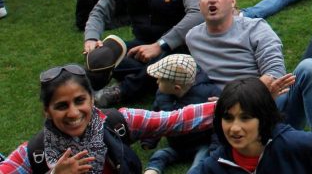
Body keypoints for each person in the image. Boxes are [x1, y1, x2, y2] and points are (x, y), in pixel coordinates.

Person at [186, 0, 312, 138]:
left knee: (311, 67)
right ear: (199, 5)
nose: (212, 0)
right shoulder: (192, 38)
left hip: (269, 104)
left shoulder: (256, 28)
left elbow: (274, 73)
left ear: (232, 2)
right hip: (230, 118)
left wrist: (236, 100)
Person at [0, 64, 215, 174]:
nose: (74, 113)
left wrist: (229, 104)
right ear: (47, 111)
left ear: (92, 100)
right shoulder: (32, 154)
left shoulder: (117, 122)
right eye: (61, 106)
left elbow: (176, 119)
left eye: (79, 101)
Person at [196, 77, 312, 174]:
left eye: (245, 118)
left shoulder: (293, 143)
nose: (235, 128)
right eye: (228, 118)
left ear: (263, 117)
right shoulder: (218, 162)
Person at [142, 54, 219, 174]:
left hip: (202, 144)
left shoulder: (209, 95)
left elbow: (218, 122)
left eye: (160, 79)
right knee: (160, 155)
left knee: (202, 161)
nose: (157, 81)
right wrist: (149, 140)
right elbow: (156, 118)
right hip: (176, 145)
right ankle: (152, 171)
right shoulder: (162, 95)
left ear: (176, 88)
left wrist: (214, 149)